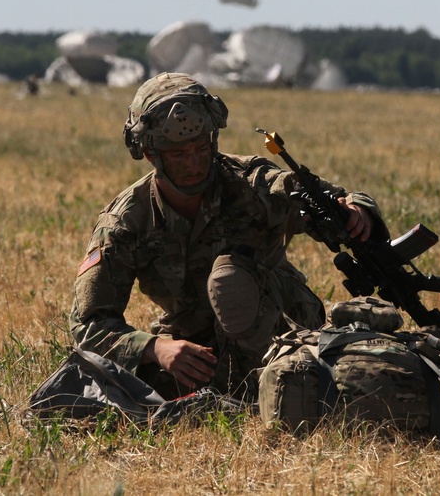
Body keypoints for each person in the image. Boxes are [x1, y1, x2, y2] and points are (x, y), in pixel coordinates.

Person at [69, 72, 386, 399]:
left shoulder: (252, 183)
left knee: (229, 278)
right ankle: (237, 391)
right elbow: (89, 325)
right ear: (152, 155)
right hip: (198, 345)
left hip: (283, 331)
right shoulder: (126, 222)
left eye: (201, 148)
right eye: (179, 154)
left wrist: (356, 210)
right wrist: (155, 348)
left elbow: (325, 198)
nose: (194, 164)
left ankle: (269, 384)